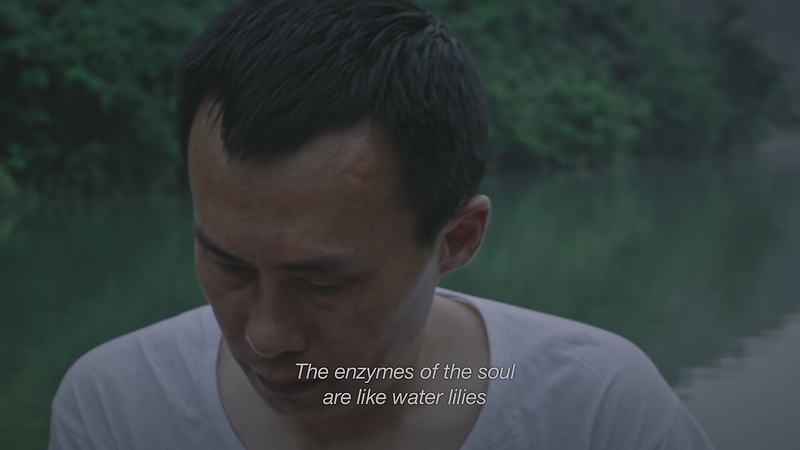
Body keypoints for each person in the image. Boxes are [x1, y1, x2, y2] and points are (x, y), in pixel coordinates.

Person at [48, 0, 716, 449]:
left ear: (457, 239)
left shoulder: (597, 411)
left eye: (320, 282)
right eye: (227, 265)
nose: (266, 336)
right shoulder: (119, 408)